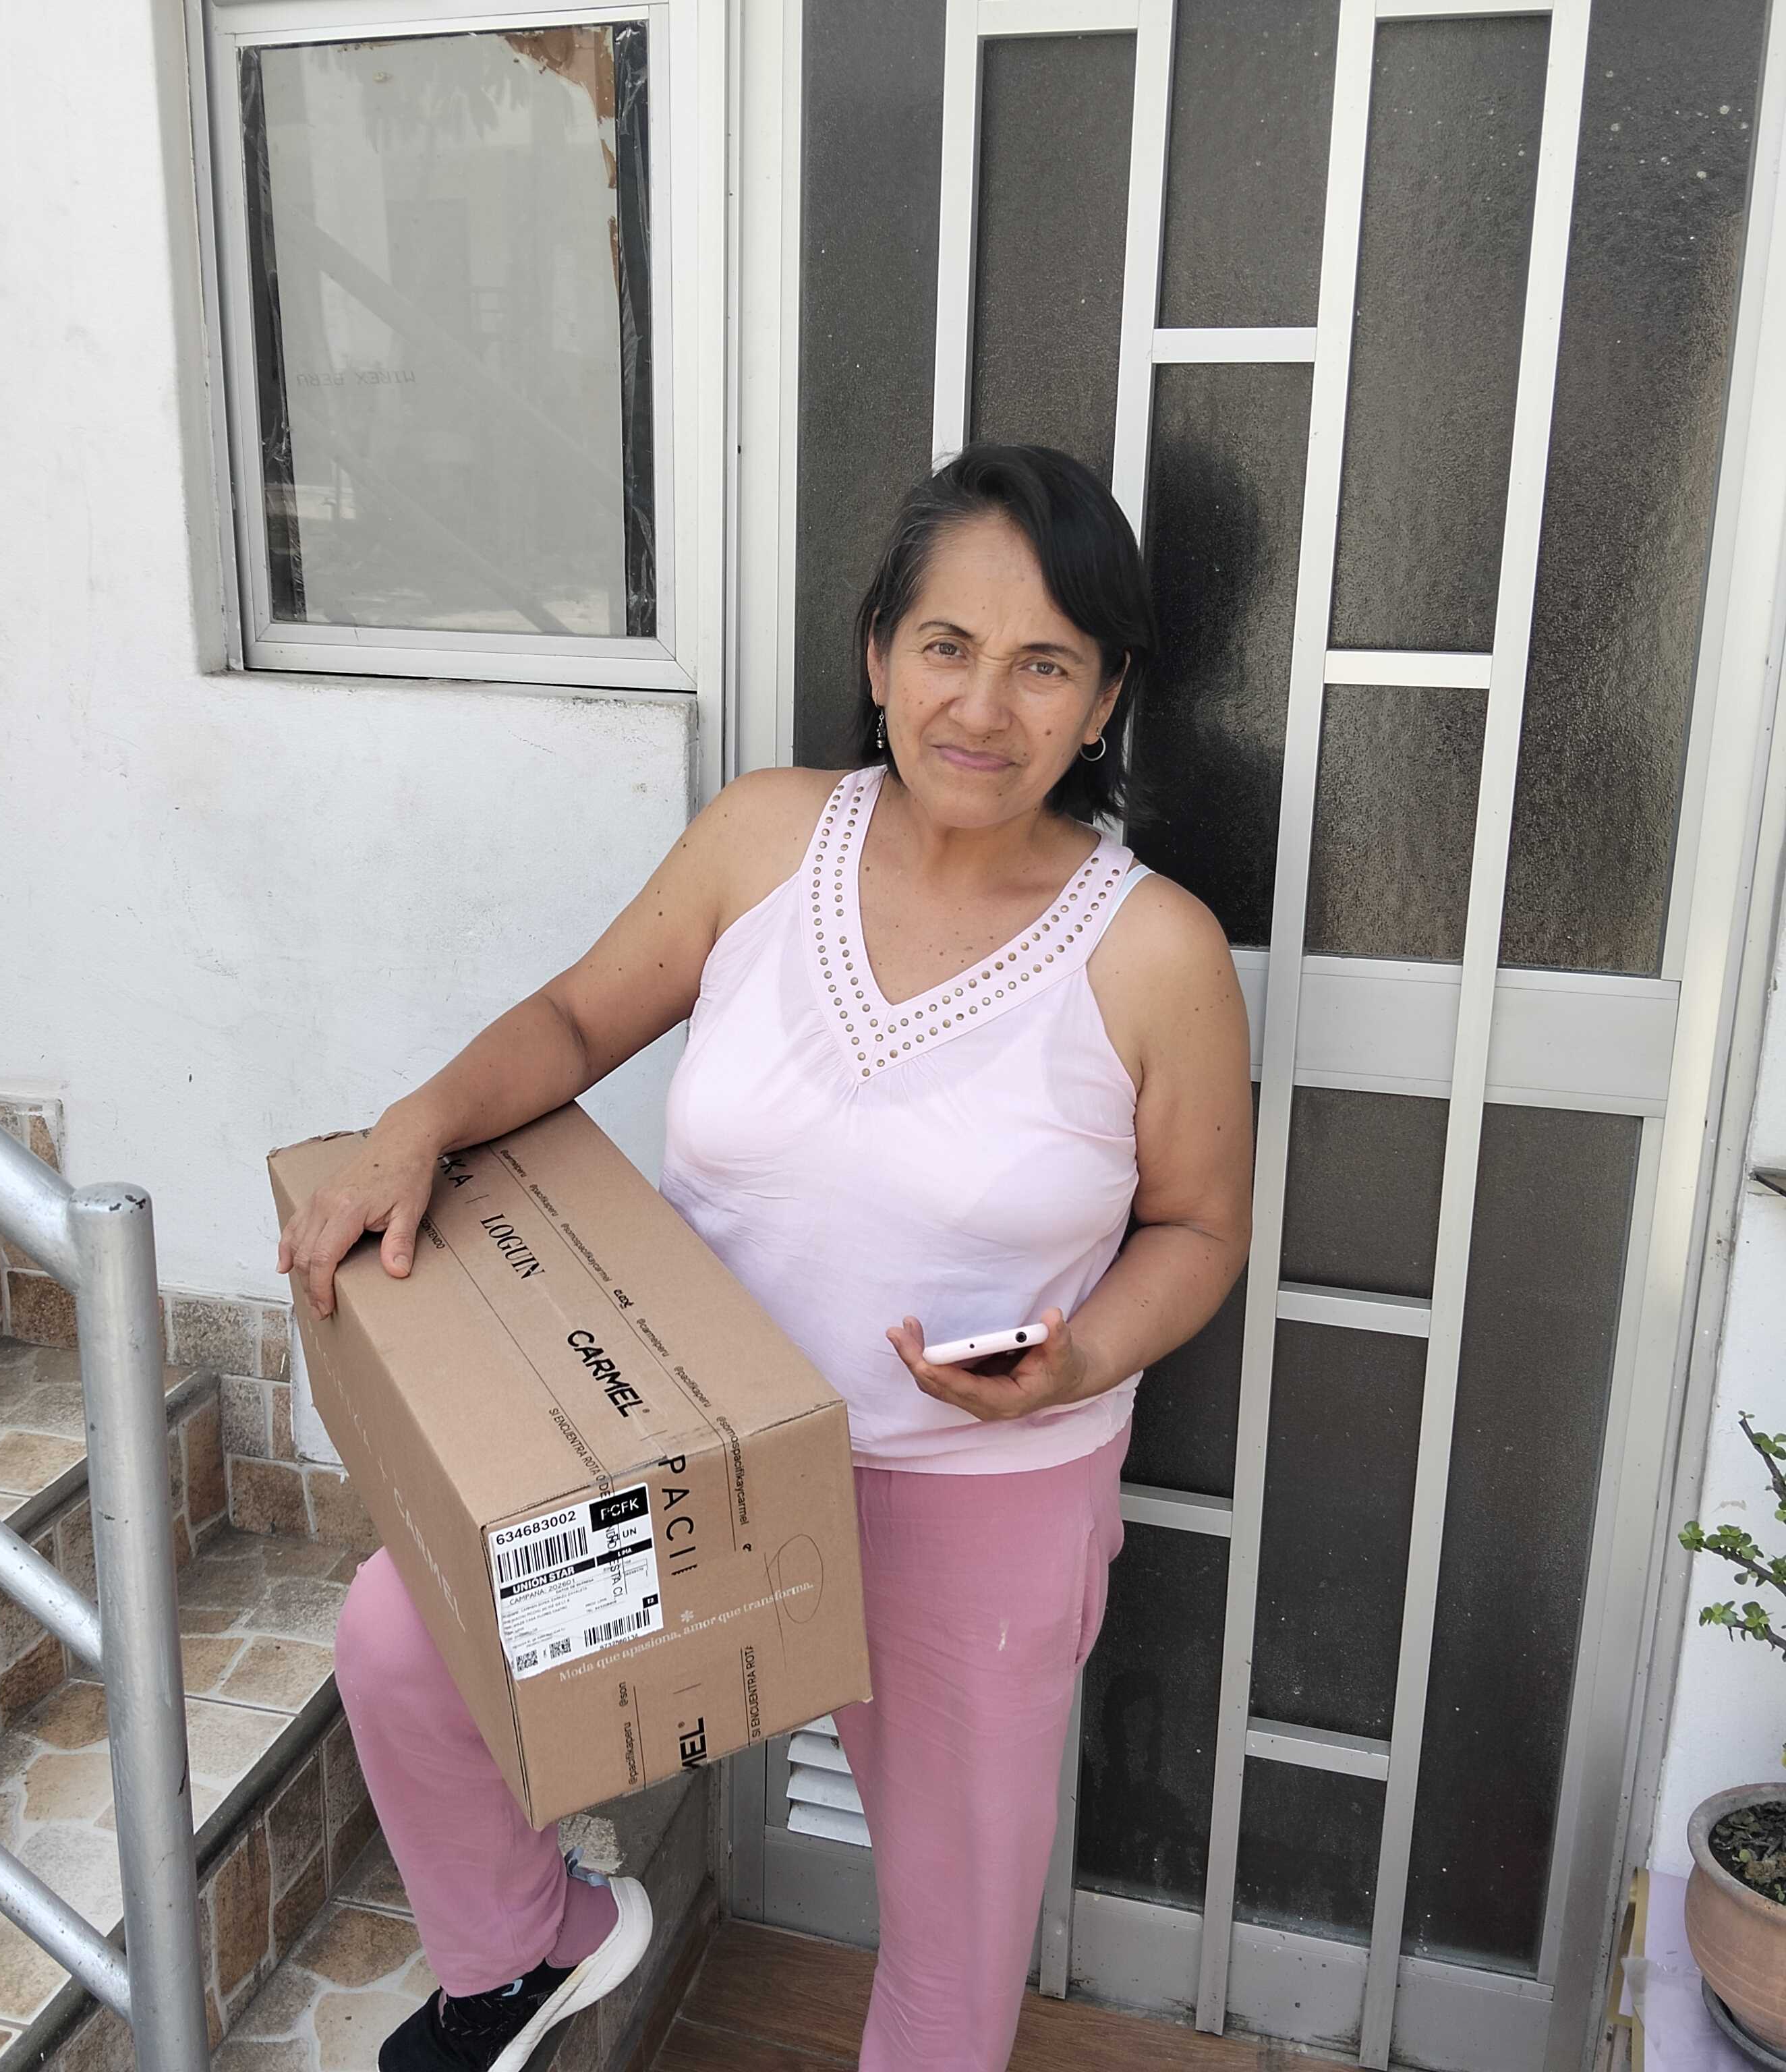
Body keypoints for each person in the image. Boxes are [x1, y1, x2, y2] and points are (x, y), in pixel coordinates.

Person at [277, 444, 1253, 2072]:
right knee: (403, 1641)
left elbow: (1200, 1226)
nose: (983, 706)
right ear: (877, 655)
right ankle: (527, 1949)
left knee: (950, 1952)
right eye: (946, 646)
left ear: (1103, 701)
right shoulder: (764, 837)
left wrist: (1078, 1358)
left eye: (1044, 665)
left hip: (974, 1497)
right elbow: (579, 1019)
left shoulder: (1156, 950)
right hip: (695, 1461)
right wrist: (419, 1122)